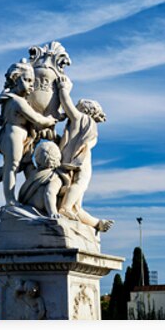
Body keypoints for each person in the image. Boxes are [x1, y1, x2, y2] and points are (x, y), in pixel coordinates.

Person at [0, 62, 57, 205]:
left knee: (17, 166)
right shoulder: (16, 101)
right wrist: (51, 120)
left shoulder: (17, 99)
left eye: (32, 82)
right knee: (11, 167)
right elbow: (37, 119)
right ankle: (10, 200)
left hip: (22, 136)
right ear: (15, 79)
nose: (31, 86)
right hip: (13, 134)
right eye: (27, 80)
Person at [56, 75, 113, 231]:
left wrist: (64, 89)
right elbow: (66, 104)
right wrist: (63, 89)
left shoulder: (83, 120)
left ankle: (96, 223)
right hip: (79, 161)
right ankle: (65, 208)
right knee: (80, 184)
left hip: (78, 159)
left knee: (77, 202)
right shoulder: (80, 120)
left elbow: (67, 105)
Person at [17, 140, 69, 217]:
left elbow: (27, 162)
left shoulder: (33, 172)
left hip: (26, 208)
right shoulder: (55, 177)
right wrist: (53, 212)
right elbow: (49, 193)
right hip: (40, 211)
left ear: (37, 158)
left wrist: (32, 143)